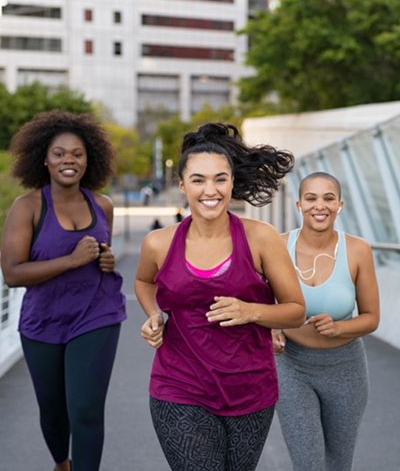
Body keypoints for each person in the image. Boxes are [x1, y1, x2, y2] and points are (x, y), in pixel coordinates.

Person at [135, 122, 305, 471]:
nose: (209, 190)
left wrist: (250, 311)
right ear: (182, 185)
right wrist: (154, 314)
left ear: (232, 183)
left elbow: (295, 311)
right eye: (198, 179)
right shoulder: (158, 243)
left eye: (220, 179)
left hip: (250, 390)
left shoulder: (261, 238)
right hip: (179, 386)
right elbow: (143, 281)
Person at [0, 110, 126, 471]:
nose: (68, 160)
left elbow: (102, 254)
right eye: (59, 153)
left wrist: (106, 260)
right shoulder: (27, 208)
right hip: (44, 321)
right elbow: (12, 273)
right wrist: (71, 261)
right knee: (54, 413)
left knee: (86, 409)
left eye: (77, 153)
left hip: (97, 315)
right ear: (44, 158)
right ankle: (61, 462)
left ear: (89, 160)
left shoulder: (102, 205)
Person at [273, 171, 380, 471]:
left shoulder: (358, 250)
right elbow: (263, 300)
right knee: (308, 463)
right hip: (292, 367)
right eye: (311, 198)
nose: (319, 205)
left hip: (345, 369)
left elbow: (372, 318)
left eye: (328, 198)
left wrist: (339, 327)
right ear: (299, 205)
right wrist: (271, 328)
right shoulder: (278, 246)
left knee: (338, 463)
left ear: (340, 205)